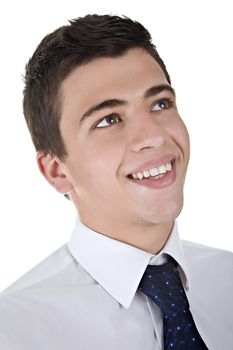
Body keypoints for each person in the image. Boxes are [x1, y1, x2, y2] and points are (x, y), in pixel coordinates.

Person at [0, 14, 232, 350]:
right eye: (108, 119)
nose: (153, 135)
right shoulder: (15, 330)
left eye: (160, 103)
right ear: (56, 171)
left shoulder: (228, 277)